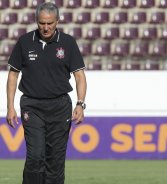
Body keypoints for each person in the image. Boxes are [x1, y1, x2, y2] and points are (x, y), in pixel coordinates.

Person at [6, 2, 87, 184]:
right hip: (31, 106)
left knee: (55, 160)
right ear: (36, 21)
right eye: (42, 23)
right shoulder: (24, 41)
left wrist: (80, 104)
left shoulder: (68, 43)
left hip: (60, 107)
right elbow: (13, 76)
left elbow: (80, 77)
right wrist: (10, 107)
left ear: (57, 21)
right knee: (35, 156)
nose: (46, 27)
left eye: (50, 23)